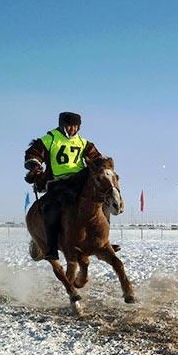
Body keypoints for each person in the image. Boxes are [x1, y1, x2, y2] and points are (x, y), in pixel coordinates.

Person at [24, 112, 112, 261]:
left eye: (76, 126)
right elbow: (34, 152)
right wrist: (34, 163)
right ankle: (51, 248)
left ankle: (102, 240)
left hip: (80, 181)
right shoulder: (50, 138)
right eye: (70, 125)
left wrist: (102, 166)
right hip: (57, 183)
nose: (73, 129)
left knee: (102, 200)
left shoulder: (83, 142)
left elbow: (96, 158)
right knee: (52, 210)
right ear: (62, 125)